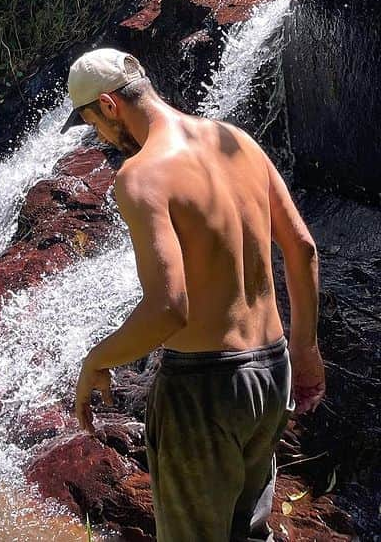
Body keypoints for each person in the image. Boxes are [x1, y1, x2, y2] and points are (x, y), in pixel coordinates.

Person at [63, 48, 324, 542]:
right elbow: (303, 249)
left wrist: (95, 360)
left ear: (110, 105)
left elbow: (168, 309)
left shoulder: (140, 176)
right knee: (249, 532)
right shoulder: (236, 141)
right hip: (271, 372)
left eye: (90, 121)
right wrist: (306, 350)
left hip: (204, 390)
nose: (97, 134)